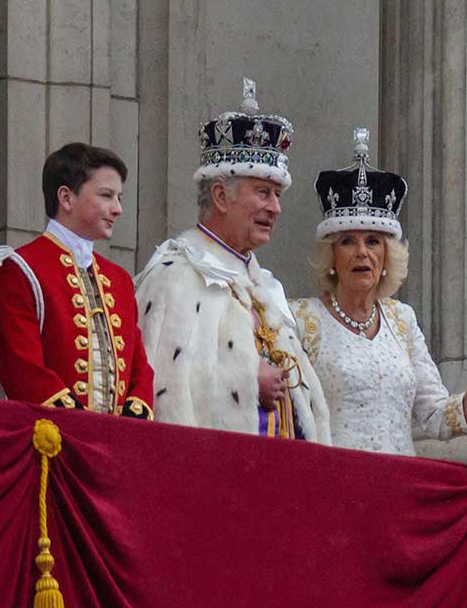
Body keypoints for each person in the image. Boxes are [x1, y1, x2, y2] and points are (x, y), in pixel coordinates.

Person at [290, 128, 467, 455]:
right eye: (347, 241)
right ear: (331, 256)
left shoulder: (402, 319)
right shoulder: (300, 318)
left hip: (398, 488)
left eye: (373, 241)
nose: (362, 252)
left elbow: (436, 417)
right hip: (333, 489)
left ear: (386, 256)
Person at [135, 79, 330, 441]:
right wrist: (245, 378)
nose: (275, 207)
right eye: (263, 193)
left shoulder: (265, 287)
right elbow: (163, 388)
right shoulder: (176, 275)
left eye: (277, 194)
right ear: (222, 196)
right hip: (219, 476)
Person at [0, 142, 155, 418]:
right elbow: (22, 370)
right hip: (52, 439)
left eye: (119, 198)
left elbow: (139, 367)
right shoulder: (20, 267)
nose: (117, 209)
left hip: (115, 443)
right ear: (66, 198)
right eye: (106, 195)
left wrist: (132, 421)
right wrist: (80, 425)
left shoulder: (119, 279)